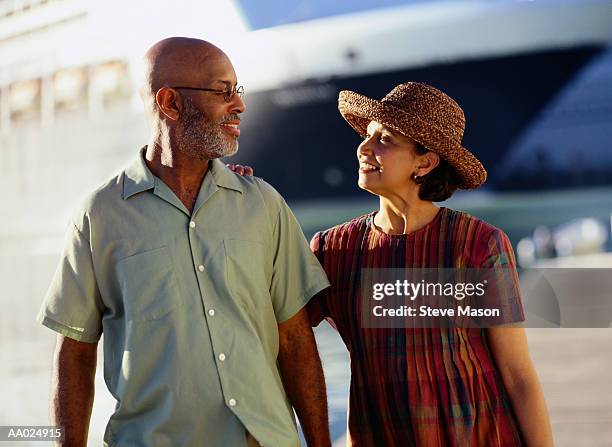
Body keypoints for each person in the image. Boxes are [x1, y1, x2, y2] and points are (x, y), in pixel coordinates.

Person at [37, 37, 332, 447]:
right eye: (222, 91)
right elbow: (73, 355)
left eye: (237, 91)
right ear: (170, 103)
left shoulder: (264, 204)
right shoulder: (98, 216)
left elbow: (296, 340)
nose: (239, 105)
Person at [308, 82, 554, 446]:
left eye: (385, 139)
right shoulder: (334, 249)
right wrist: (242, 201)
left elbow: (517, 375)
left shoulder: (478, 244)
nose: (364, 147)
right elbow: (277, 332)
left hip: (481, 437)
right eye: (368, 135)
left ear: (424, 162)